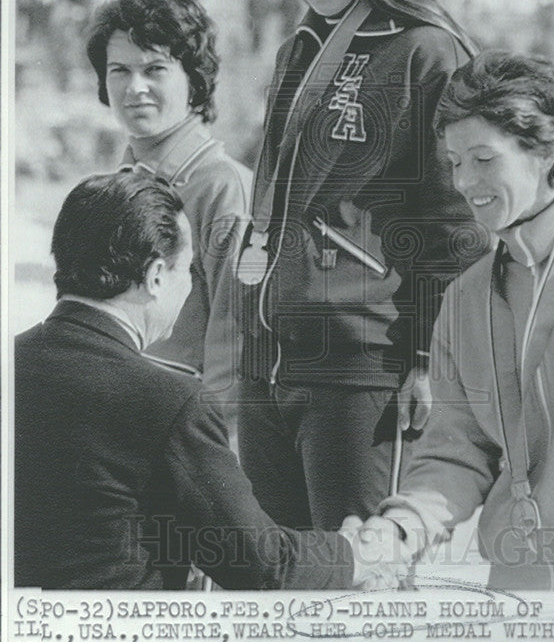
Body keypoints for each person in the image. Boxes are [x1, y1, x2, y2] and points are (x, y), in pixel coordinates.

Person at [235, 0, 488, 533]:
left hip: (361, 366)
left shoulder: (425, 52)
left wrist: (430, 360)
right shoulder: (301, 47)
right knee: (277, 584)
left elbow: (455, 221)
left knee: (355, 582)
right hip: (269, 361)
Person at [367, 50, 554, 590]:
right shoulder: (465, 296)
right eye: (454, 162)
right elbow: (455, 453)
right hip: (516, 589)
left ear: (545, 150)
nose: (464, 182)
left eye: (484, 159)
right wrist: (401, 528)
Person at [14, 170, 380, 590]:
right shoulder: (167, 402)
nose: (188, 284)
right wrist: (353, 554)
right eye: (187, 269)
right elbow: (262, 565)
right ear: (155, 277)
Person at [87, 0, 250, 418]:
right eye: (119, 70)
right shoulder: (116, 187)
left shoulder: (222, 187)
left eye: (155, 68)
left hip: (180, 427)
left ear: (193, 79)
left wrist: (208, 448)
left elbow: (236, 343)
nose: (134, 87)